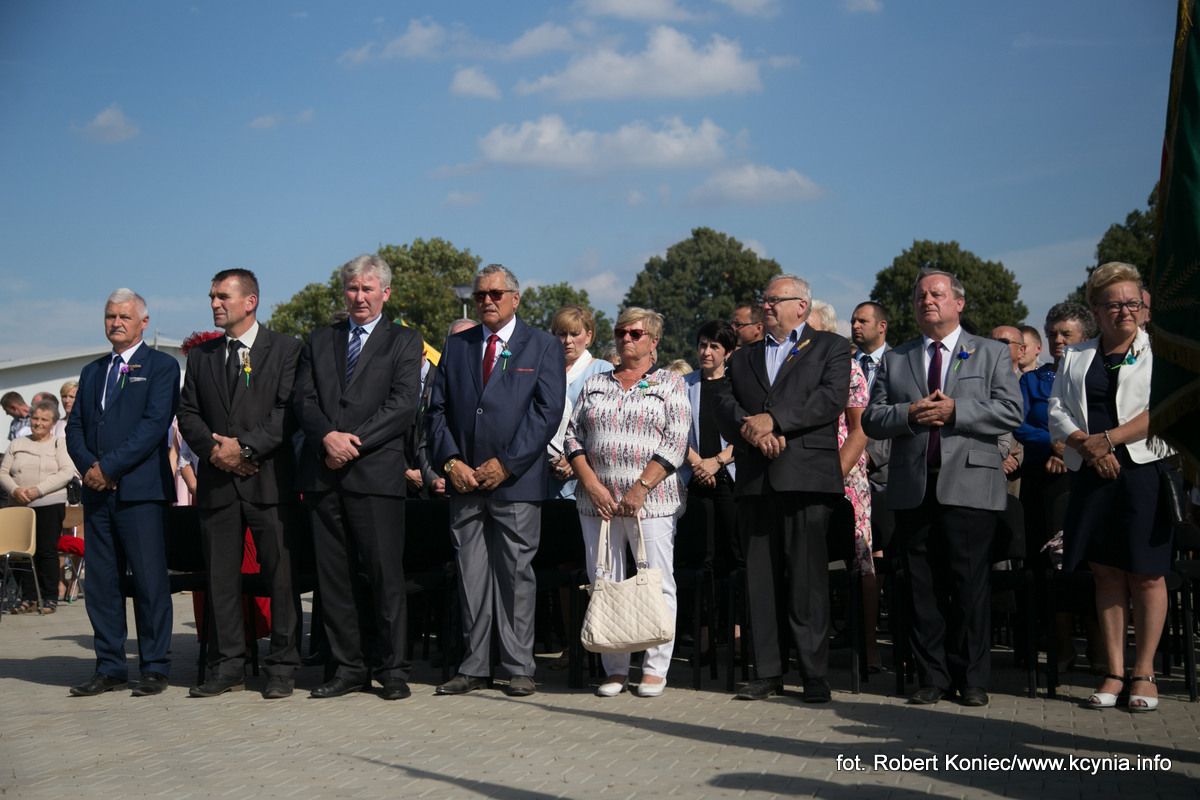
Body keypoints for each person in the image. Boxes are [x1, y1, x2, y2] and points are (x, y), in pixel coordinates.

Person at [861, 270, 1022, 707]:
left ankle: (972, 679)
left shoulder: (990, 353)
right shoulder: (897, 359)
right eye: (920, 296)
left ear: (959, 303)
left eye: (937, 294)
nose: (927, 301)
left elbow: (1010, 411)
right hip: (913, 487)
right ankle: (931, 676)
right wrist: (910, 414)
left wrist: (956, 411)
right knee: (922, 587)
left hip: (970, 485)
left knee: (969, 585)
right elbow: (871, 419)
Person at [426, 264, 565, 698]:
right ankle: (474, 666)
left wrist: (506, 464)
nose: (487, 300)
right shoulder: (457, 345)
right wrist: (451, 463)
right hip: (464, 484)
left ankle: (519, 665)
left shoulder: (541, 345)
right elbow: (435, 411)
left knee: (515, 575)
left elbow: (547, 413)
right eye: (481, 293)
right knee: (471, 576)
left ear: (515, 299)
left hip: (515, 483)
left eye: (496, 293)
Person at [292, 254, 423, 701]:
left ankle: (392, 670)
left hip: (375, 475)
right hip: (324, 477)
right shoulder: (319, 339)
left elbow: (405, 404)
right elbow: (303, 400)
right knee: (335, 579)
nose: (359, 297)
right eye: (352, 288)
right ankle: (347, 668)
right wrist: (327, 437)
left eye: (368, 289)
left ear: (385, 293)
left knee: (384, 576)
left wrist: (352, 442)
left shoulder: (405, 341)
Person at [715, 274, 850, 704]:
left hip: (806, 479)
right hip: (756, 479)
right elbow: (723, 404)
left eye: (775, 300)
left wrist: (775, 421)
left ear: (802, 307)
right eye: (764, 300)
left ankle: (813, 674)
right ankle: (768, 671)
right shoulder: (742, 358)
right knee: (761, 580)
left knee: (807, 580)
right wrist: (751, 431)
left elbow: (830, 399)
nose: (766, 307)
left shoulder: (831, 347)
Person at [1048, 262, 1174, 713]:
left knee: (1146, 573)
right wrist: (1087, 445)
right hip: (1090, 472)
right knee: (1105, 571)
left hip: (1142, 471)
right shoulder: (1077, 355)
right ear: (1097, 311)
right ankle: (1114, 671)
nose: (1125, 310)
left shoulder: (1161, 351)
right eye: (1114, 303)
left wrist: (1111, 441)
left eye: (1133, 302)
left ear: (1144, 308)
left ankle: (1145, 672)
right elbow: (1057, 409)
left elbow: (1163, 408)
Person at [177, 269, 304, 699]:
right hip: (217, 486)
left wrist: (245, 450)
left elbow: (288, 412)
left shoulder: (287, 349)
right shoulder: (202, 357)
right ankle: (226, 665)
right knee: (221, 580)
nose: (214, 303)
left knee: (280, 580)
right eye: (211, 296)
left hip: (268, 483)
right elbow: (188, 414)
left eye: (222, 296)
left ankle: (283, 666)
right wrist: (219, 454)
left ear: (250, 301)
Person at [565, 308, 689, 697]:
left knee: (655, 582)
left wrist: (640, 488)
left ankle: (655, 667)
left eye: (635, 333)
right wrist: (592, 483)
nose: (626, 339)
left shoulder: (670, 383)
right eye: (621, 332)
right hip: (596, 504)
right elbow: (572, 437)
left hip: (650, 503)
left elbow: (676, 441)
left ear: (653, 341)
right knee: (606, 582)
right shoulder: (596, 383)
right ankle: (615, 667)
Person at [65, 289, 181, 697]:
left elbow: (153, 426)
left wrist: (109, 468)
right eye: (110, 316)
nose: (116, 323)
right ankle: (110, 667)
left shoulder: (162, 367)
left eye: (125, 317)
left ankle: (154, 666)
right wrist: (90, 469)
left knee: (150, 583)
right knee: (102, 585)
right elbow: (74, 428)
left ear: (143, 322)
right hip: (98, 496)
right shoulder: (92, 371)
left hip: (140, 493)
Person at [1015, 301, 1097, 671]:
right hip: (1042, 481)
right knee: (1049, 564)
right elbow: (1017, 420)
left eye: (1066, 334)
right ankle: (1061, 647)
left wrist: (1072, 450)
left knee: (1092, 563)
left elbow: (1102, 419)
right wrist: (1054, 444)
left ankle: (1101, 651)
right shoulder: (1033, 380)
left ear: (1086, 336)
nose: (1058, 340)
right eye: (1052, 334)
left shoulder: (1098, 374)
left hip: (1091, 473)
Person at [807, 300, 880, 672]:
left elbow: (860, 428)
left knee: (860, 562)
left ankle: (868, 649)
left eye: (810, 326)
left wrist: (831, 476)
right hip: (800, 478)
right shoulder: (793, 367)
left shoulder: (848, 368)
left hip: (842, 478)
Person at [680, 320, 740, 655]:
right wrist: (697, 464)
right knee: (701, 557)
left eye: (714, 346)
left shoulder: (738, 384)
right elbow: (673, 428)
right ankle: (702, 640)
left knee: (735, 554)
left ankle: (735, 634)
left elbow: (746, 432)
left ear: (728, 352)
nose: (706, 352)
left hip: (730, 475)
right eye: (703, 344)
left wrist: (717, 461)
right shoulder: (683, 384)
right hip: (694, 478)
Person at [0, 399, 75, 613]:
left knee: (46, 551)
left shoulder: (59, 443)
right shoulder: (17, 443)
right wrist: (16, 490)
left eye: (44, 419)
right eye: (35, 418)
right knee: (21, 553)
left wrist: (37, 490)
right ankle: (29, 597)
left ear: (52, 423)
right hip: (19, 507)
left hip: (49, 504)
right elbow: (3, 473)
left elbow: (65, 473)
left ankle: (50, 596)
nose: (38, 423)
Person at [547, 305, 613, 500]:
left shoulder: (604, 370)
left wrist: (572, 459)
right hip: (545, 476)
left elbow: (606, 426)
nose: (568, 341)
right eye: (562, 334)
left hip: (589, 480)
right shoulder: (544, 370)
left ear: (589, 336)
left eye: (575, 334)